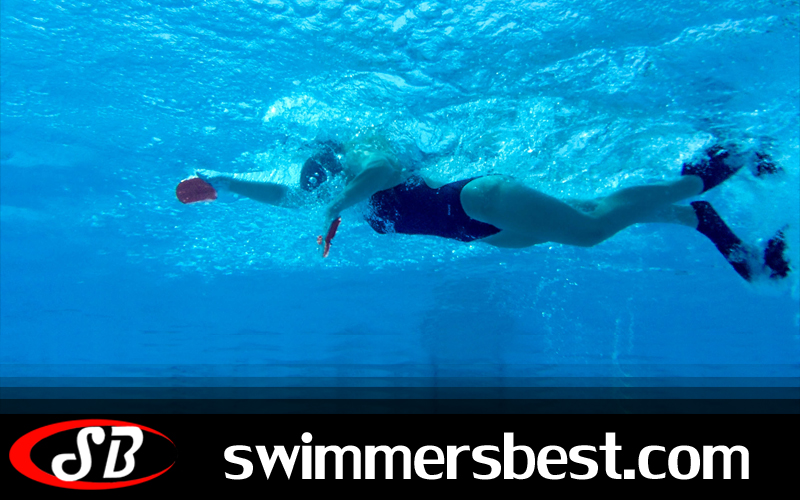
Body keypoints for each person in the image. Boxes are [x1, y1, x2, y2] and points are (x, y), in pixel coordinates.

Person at [190, 136, 790, 282]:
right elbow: (289, 199)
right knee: (589, 211)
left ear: (335, 169)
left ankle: (717, 167)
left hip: (480, 198)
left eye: (329, 189)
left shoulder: (362, 159)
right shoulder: (340, 197)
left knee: (590, 228)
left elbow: (384, 171)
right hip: (483, 230)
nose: (324, 200)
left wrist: (338, 203)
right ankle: (696, 216)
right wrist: (225, 183)